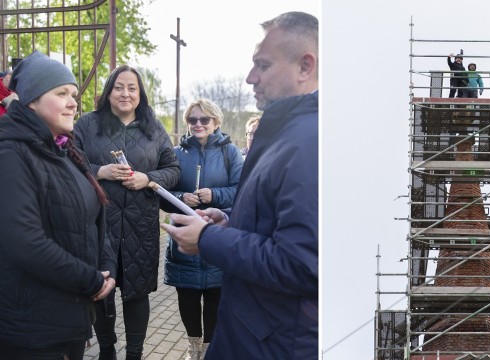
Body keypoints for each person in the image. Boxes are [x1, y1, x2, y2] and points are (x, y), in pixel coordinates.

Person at [161, 11, 318, 360]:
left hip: (273, 342)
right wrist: (231, 220)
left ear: (305, 67)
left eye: (262, 65)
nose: (250, 77)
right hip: (253, 332)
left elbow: (302, 264)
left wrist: (207, 238)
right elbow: (277, 223)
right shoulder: (286, 135)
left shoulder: (309, 142)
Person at [0, 50, 116, 359]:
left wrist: (107, 266)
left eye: (74, 94)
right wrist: (89, 279)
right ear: (32, 100)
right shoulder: (11, 154)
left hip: (70, 317)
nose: (73, 102)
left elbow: (89, 220)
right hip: (33, 329)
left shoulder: (66, 150)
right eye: (61, 93)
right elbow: (25, 241)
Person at [74, 65, 180, 360]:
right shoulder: (87, 125)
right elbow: (68, 164)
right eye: (119, 87)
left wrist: (148, 179)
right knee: (102, 288)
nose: (125, 93)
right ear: (108, 92)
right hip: (99, 222)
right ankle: (107, 349)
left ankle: (134, 353)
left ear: (140, 94)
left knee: (137, 293)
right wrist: (101, 171)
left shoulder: (154, 128)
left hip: (140, 223)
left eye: (132, 88)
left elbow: (174, 170)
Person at [163, 99, 243, 360]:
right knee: (186, 296)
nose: (198, 124)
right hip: (184, 236)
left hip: (216, 235)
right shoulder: (176, 154)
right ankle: (193, 348)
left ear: (216, 122)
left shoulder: (229, 153)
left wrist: (213, 195)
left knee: (214, 298)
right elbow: (162, 194)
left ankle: (210, 350)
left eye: (204, 119)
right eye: (192, 120)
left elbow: (241, 191)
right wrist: (182, 197)